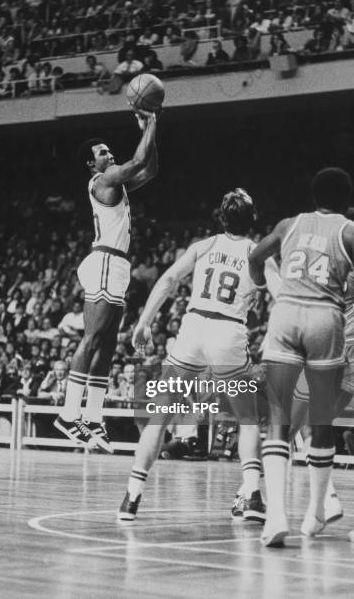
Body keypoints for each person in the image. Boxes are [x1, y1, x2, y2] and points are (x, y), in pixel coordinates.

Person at [249, 168, 354, 547]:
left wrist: (261, 286)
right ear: (349, 197)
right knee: (323, 421)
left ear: (313, 195)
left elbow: (256, 257)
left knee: (280, 418)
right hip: (326, 320)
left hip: (287, 311)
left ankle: (275, 516)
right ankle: (317, 511)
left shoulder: (290, 224)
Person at [118, 189, 265, 522]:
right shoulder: (255, 253)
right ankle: (253, 494)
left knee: (161, 416)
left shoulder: (203, 246)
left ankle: (131, 497)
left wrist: (143, 322)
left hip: (193, 328)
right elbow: (279, 288)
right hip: (227, 332)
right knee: (248, 418)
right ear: (252, 218)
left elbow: (169, 279)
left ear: (221, 217)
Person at [54, 110, 158, 453]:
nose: (109, 154)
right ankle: (69, 415)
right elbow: (138, 159)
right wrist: (151, 122)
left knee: (109, 344)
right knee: (93, 337)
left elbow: (150, 167)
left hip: (117, 265)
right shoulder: (103, 181)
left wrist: (150, 133)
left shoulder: (117, 184)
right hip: (103, 260)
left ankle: (93, 417)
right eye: (103, 152)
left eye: (110, 151)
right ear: (91, 164)